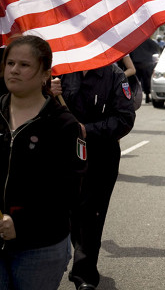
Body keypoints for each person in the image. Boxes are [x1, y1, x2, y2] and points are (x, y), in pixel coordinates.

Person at [0, 36, 85, 290]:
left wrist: (21, 224)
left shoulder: (64, 125)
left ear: (45, 74)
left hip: (41, 247)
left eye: (25, 65)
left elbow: (69, 190)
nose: (14, 70)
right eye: (10, 63)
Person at [52, 60, 136, 290]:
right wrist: (47, 94)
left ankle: (84, 274)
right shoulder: (61, 71)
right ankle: (79, 254)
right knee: (70, 211)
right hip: (64, 155)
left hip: (100, 155)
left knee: (92, 213)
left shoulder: (115, 75)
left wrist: (85, 130)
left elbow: (124, 119)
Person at [130, 37, 160, 103]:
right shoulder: (148, 40)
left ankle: (133, 96)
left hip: (135, 63)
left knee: (134, 82)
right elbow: (157, 48)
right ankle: (147, 95)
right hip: (146, 63)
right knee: (146, 80)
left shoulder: (133, 41)